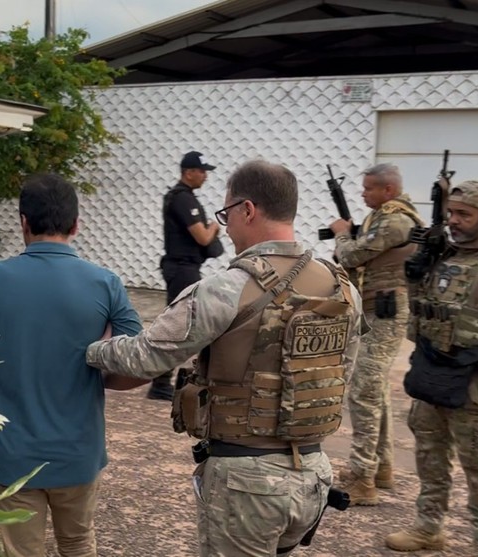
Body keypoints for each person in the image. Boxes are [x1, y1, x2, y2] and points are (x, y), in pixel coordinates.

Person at [87, 159, 365, 556]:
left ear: (247, 210)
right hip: (313, 475)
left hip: (246, 481)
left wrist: (89, 350)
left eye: (226, 214)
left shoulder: (227, 289)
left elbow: (145, 358)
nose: (227, 226)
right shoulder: (342, 287)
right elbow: (343, 372)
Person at [0, 173, 143, 557]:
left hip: (13, 452)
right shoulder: (105, 282)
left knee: (20, 550)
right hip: (78, 451)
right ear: (76, 224)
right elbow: (138, 362)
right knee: (78, 543)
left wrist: (21, 363)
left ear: (23, 222)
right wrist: (89, 369)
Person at [385, 180, 478, 556]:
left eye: (464, 214)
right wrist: (416, 272)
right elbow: (424, 311)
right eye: (451, 212)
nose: (454, 220)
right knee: (430, 458)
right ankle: (428, 528)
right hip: (434, 372)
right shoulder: (443, 255)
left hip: (477, 383)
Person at [327, 163, 425, 505]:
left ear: (388, 190)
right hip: (375, 309)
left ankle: (362, 478)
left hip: (386, 312)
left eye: (368, 189)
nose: (362, 193)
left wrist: (341, 232)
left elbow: (352, 254)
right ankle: (380, 467)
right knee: (376, 390)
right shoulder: (384, 217)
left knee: (364, 390)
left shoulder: (396, 219)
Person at [149, 150, 224, 401]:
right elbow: (202, 237)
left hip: (185, 267)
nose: (205, 176)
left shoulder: (185, 197)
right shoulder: (182, 199)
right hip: (182, 269)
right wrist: (215, 225)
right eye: (201, 171)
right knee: (180, 325)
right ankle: (162, 382)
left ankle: (163, 381)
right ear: (188, 172)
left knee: (184, 324)